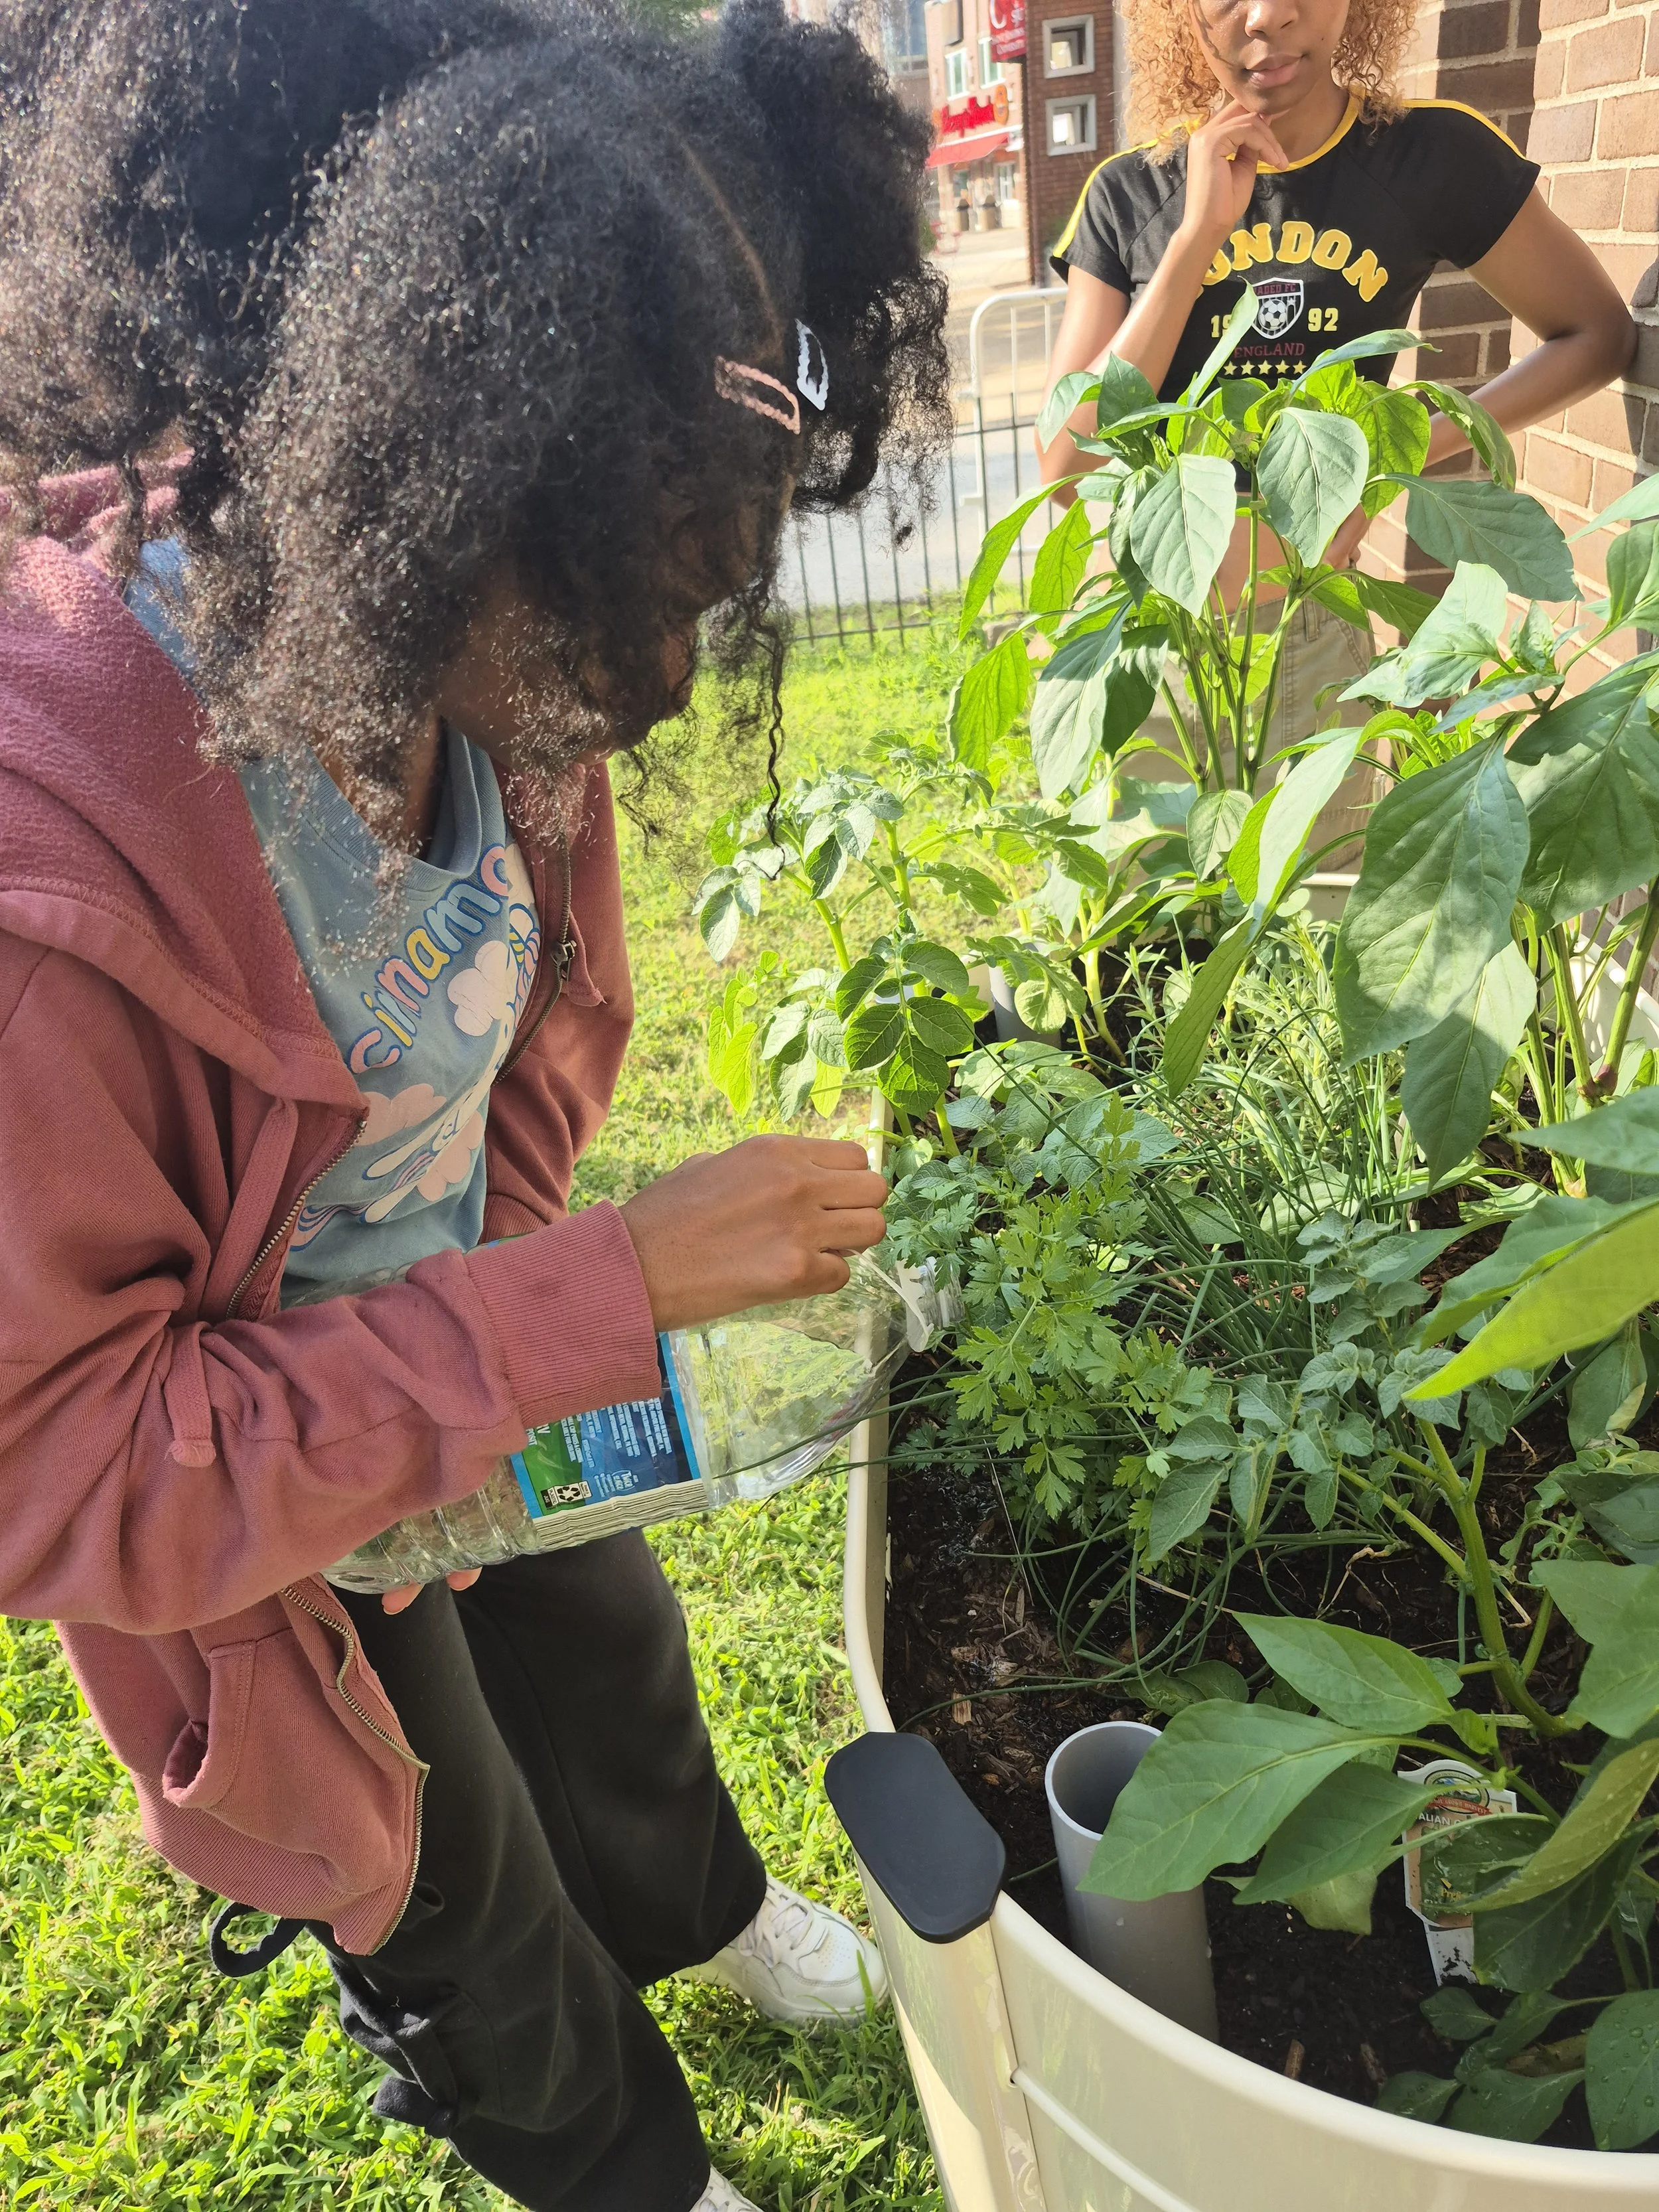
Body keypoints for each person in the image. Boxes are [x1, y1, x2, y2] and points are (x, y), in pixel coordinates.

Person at [0, 5, 950, 2210]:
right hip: (239, 1526)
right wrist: (593, 1293)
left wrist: (528, 1310)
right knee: (441, 1865)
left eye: (696, 598)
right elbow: (60, 1468)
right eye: (603, 615)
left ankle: (703, 1912)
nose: (636, 697)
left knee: (605, 1644)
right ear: (392, 463)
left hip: (467, 1351)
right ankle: (614, 2157)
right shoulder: (61, 851)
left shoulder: (503, 628)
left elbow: (520, 1019)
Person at [1036, 0, 1636, 786]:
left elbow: (1595, 334)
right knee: (1154, 907)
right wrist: (1194, 241)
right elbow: (1066, 463)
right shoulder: (1129, 193)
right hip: (1149, 637)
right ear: (1175, 13)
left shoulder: (1427, 154)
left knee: (1319, 899)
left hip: (1310, 623)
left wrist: (1382, 458)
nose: (1267, 16)